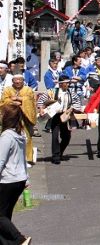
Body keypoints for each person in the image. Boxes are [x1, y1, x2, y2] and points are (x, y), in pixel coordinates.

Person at [0, 104, 31, 245]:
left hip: (8, 180)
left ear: (7, 117)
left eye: (2, 114)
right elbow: (22, 159)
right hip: (19, 179)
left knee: (0, 216)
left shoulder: (7, 136)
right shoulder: (20, 134)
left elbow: (0, 161)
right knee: (5, 215)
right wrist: (27, 178)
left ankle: (20, 239)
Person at [0, 74, 37, 165]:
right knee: (9, 137)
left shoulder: (28, 89)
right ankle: (8, 158)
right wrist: (14, 102)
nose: (17, 82)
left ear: (23, 80)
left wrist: (18, 98)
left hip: (24, 118)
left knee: (26, 137)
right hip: (11, 118)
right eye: (15, 80)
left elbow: (30, 100)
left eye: (20, 80)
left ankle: (27, 159)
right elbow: (3, 101)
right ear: (12, 81)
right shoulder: (7, 89)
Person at [37, 75, 74, 165]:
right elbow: (41, 100)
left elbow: (76, 102)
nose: (68, 84)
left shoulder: (71, 92)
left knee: (66, 137)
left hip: (65, 115)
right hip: (54, 115)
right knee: (55, 136)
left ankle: (60, 151)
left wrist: (72, 109)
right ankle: (56, 156)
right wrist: (41, 109)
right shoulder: (52, 91)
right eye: (66, 83)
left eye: (68, 83)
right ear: (61, 84)